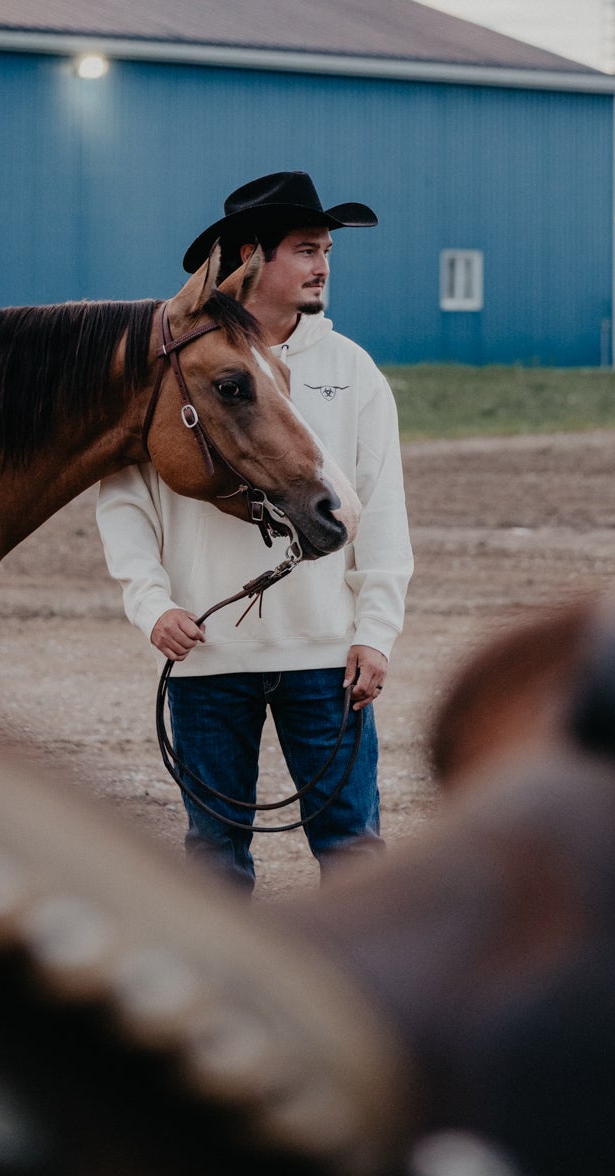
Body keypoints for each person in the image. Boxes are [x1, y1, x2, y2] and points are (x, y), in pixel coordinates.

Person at [96, 171, 414, 892]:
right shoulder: (172, 366)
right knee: (215, 857)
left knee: (352, 848)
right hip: (206, 654)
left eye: (326, 250)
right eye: (305, 249)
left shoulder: (351, 369)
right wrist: (152, 606)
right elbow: (125, 501)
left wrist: (375, 632)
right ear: (249, 258)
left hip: (326, 657)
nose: (323, 266)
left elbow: (381, 507)